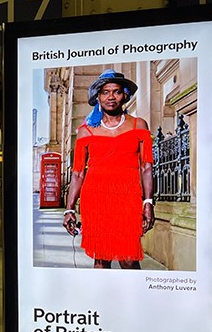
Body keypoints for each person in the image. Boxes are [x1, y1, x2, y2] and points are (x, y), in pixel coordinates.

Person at [62, 69, 154, 269]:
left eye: (117, 91)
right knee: (101, 260)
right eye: (105, 92)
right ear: (98, 97)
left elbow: (146, 167)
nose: (111, 97)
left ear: (125, 96)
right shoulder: (85, 131)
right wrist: (69, 208)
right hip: (96, 198)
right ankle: (103, 299)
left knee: (129, 259)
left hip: (128, 198)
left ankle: (133, 300)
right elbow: (77, 173)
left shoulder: (139, 125)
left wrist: (148, 202)